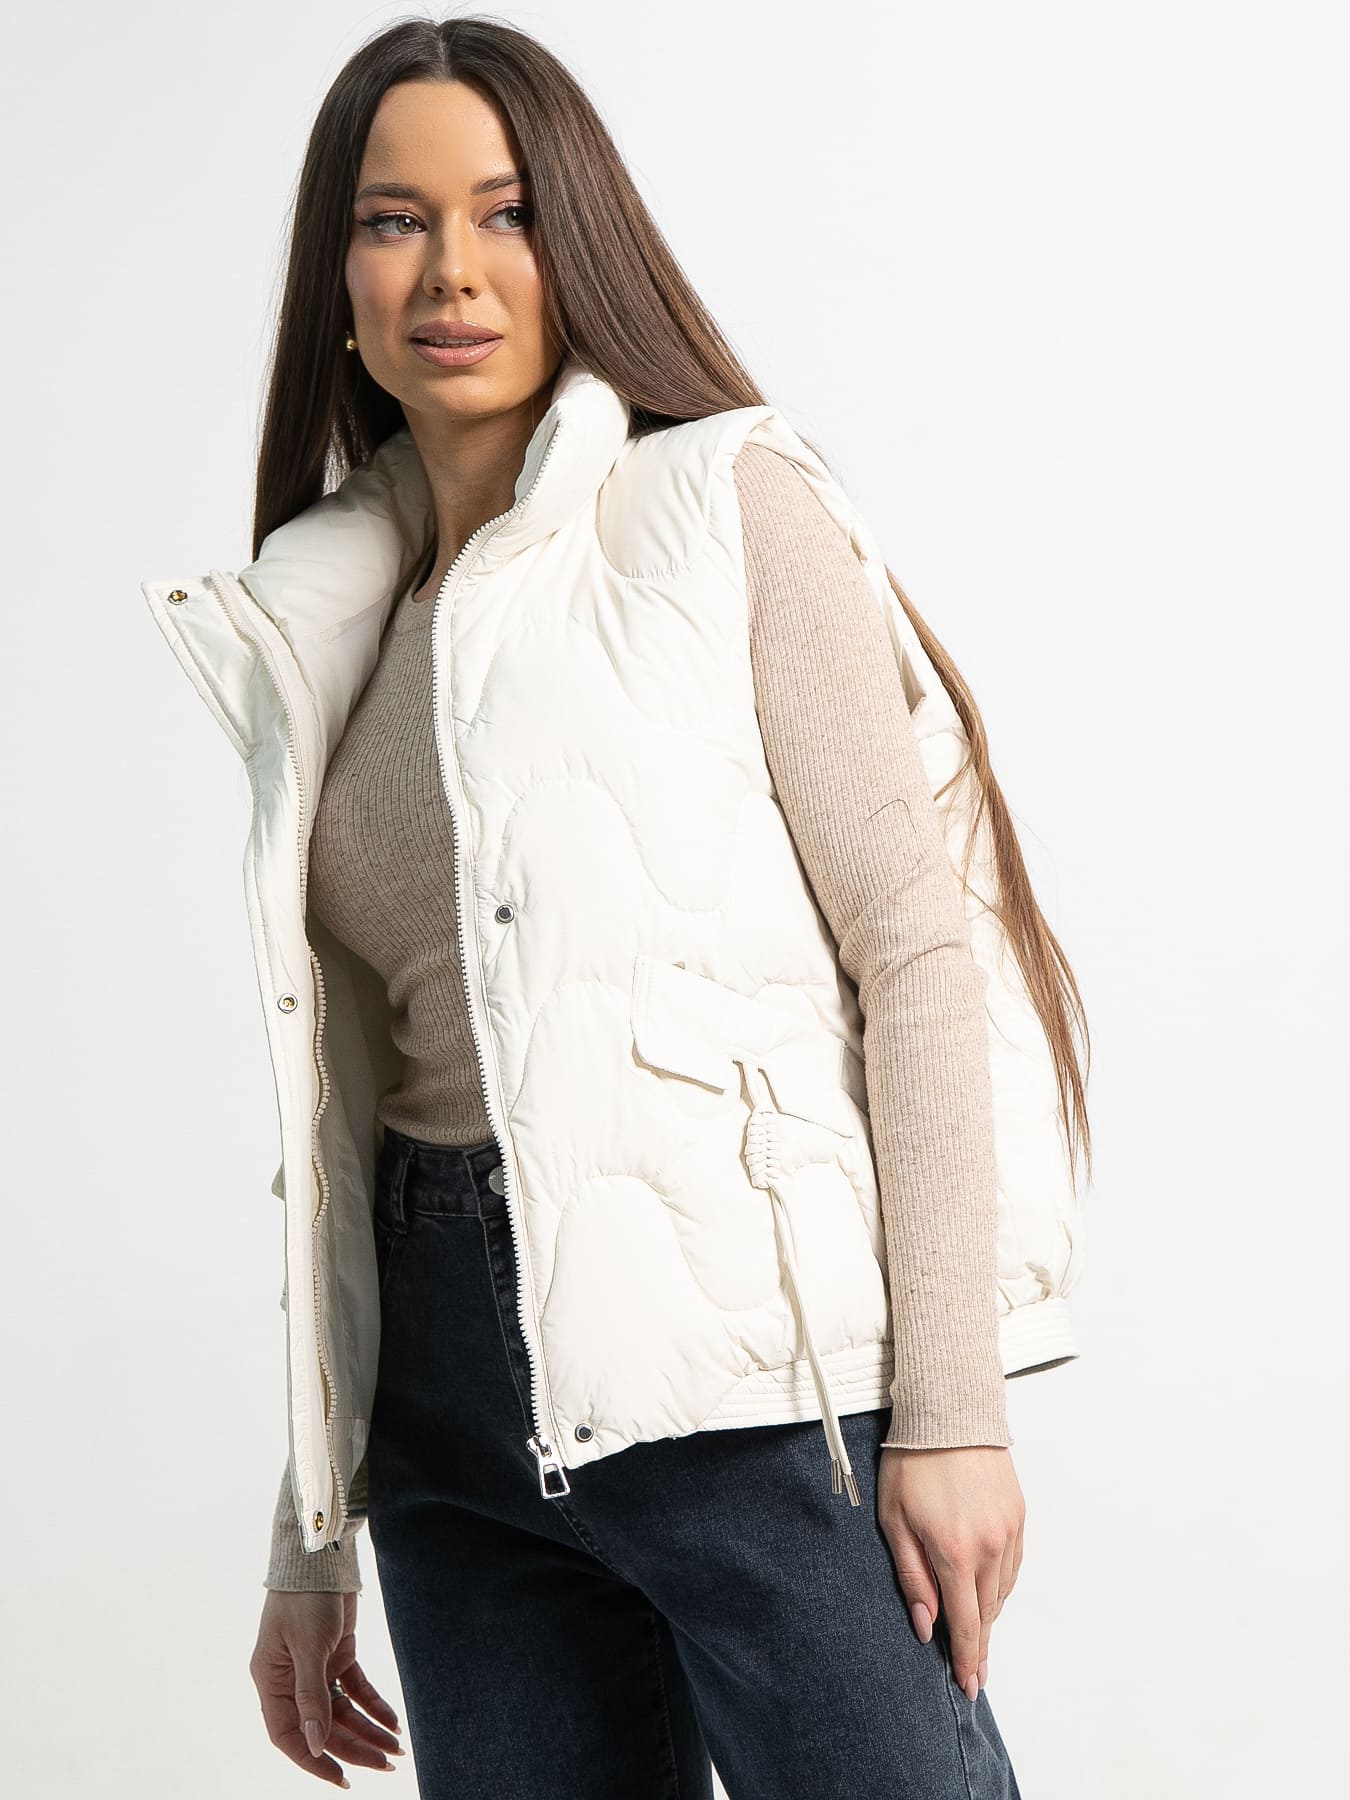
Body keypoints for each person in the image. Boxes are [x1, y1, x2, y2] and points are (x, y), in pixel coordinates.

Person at [142, 16, 1090, 1799]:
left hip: (747, 1394)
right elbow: (343, 1114)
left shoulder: (722, 501)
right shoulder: (315, 623)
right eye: (392, 220)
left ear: (577, 239)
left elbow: (913, 950)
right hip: (438, 1403)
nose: (450, 270)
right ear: (336, 276)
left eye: (503, 213)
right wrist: (313, 1527)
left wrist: (953, 1411)